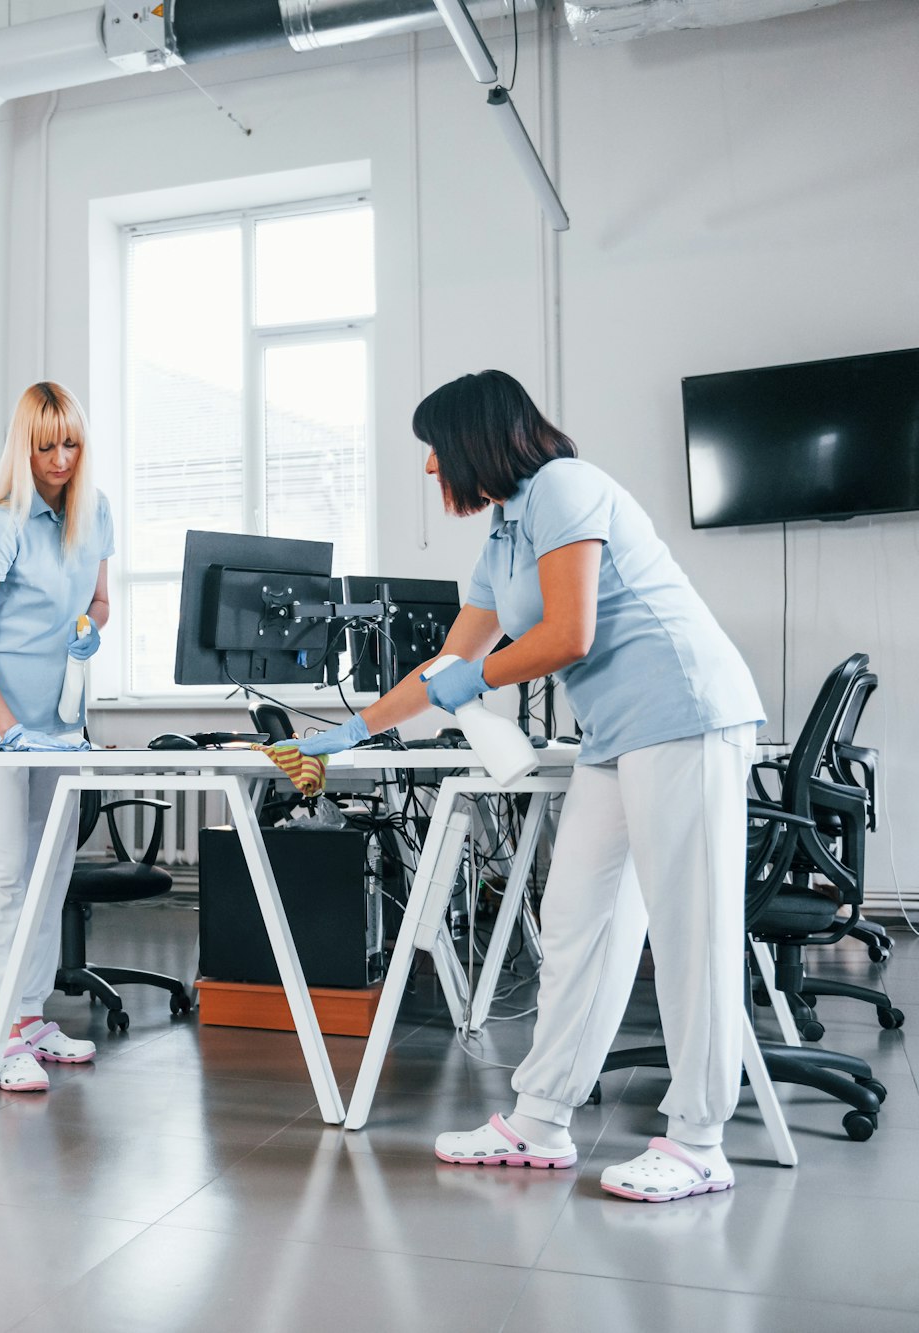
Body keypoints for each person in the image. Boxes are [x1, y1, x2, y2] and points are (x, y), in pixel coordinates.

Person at [280, 370, 763, 1202]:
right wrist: (350, 732)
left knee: (690, 931)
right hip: (615, 735)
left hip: (684, 711)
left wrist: (481, 679)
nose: (431, 468)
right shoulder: (504, 532)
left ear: (475, 440)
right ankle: (541, 1117)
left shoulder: (565, 487)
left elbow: (568, 633)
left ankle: (699, 1140)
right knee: (576, 920)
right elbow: (448, 664)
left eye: (436, 449)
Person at [0, 382, 113, 1093]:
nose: (59, 458)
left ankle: (33, 1012)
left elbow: (100, 600)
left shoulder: (94, 512)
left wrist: (89, 629)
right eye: (45, 446)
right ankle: (3, 1027)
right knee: (1, 875)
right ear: (25, 446)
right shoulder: (1, 522)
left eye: (70, 443)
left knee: (49, 875)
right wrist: (8, 728)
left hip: (60, 726)